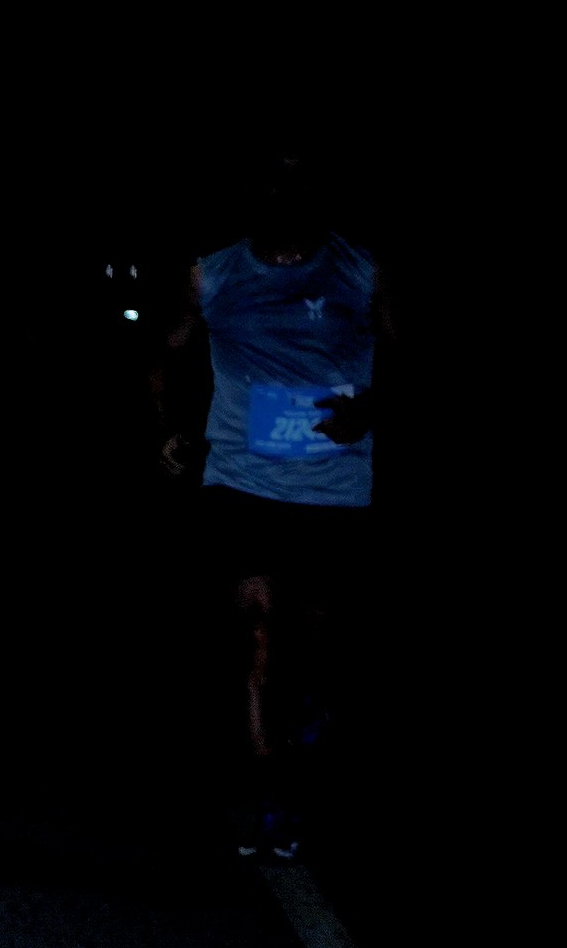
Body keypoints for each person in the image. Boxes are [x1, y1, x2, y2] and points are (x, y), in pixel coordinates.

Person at [152, 148, 390, 861]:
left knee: (313, 645)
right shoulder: (213, 274)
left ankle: (312, 710)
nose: (284, 193)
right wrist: (167, 429)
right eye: (271, 181)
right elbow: (162, 353)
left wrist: (370, 409)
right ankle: (269, 796)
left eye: (298, 180)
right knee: (256, 632)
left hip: (333, 490)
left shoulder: (360, 270)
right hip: (242, 483)